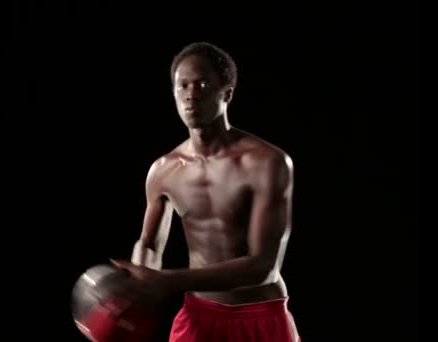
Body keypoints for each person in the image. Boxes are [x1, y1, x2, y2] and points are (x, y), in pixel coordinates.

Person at [111, 41, 301, 342]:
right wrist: (136, 286)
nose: (190, 94)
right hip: (198, 319)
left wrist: (165, 281)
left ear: (226, 92)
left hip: (260, 316)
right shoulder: (163, 170)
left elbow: (263, 266)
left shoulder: (267, 162)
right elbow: (149, 246)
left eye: (201, 83)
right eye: (182, 85)